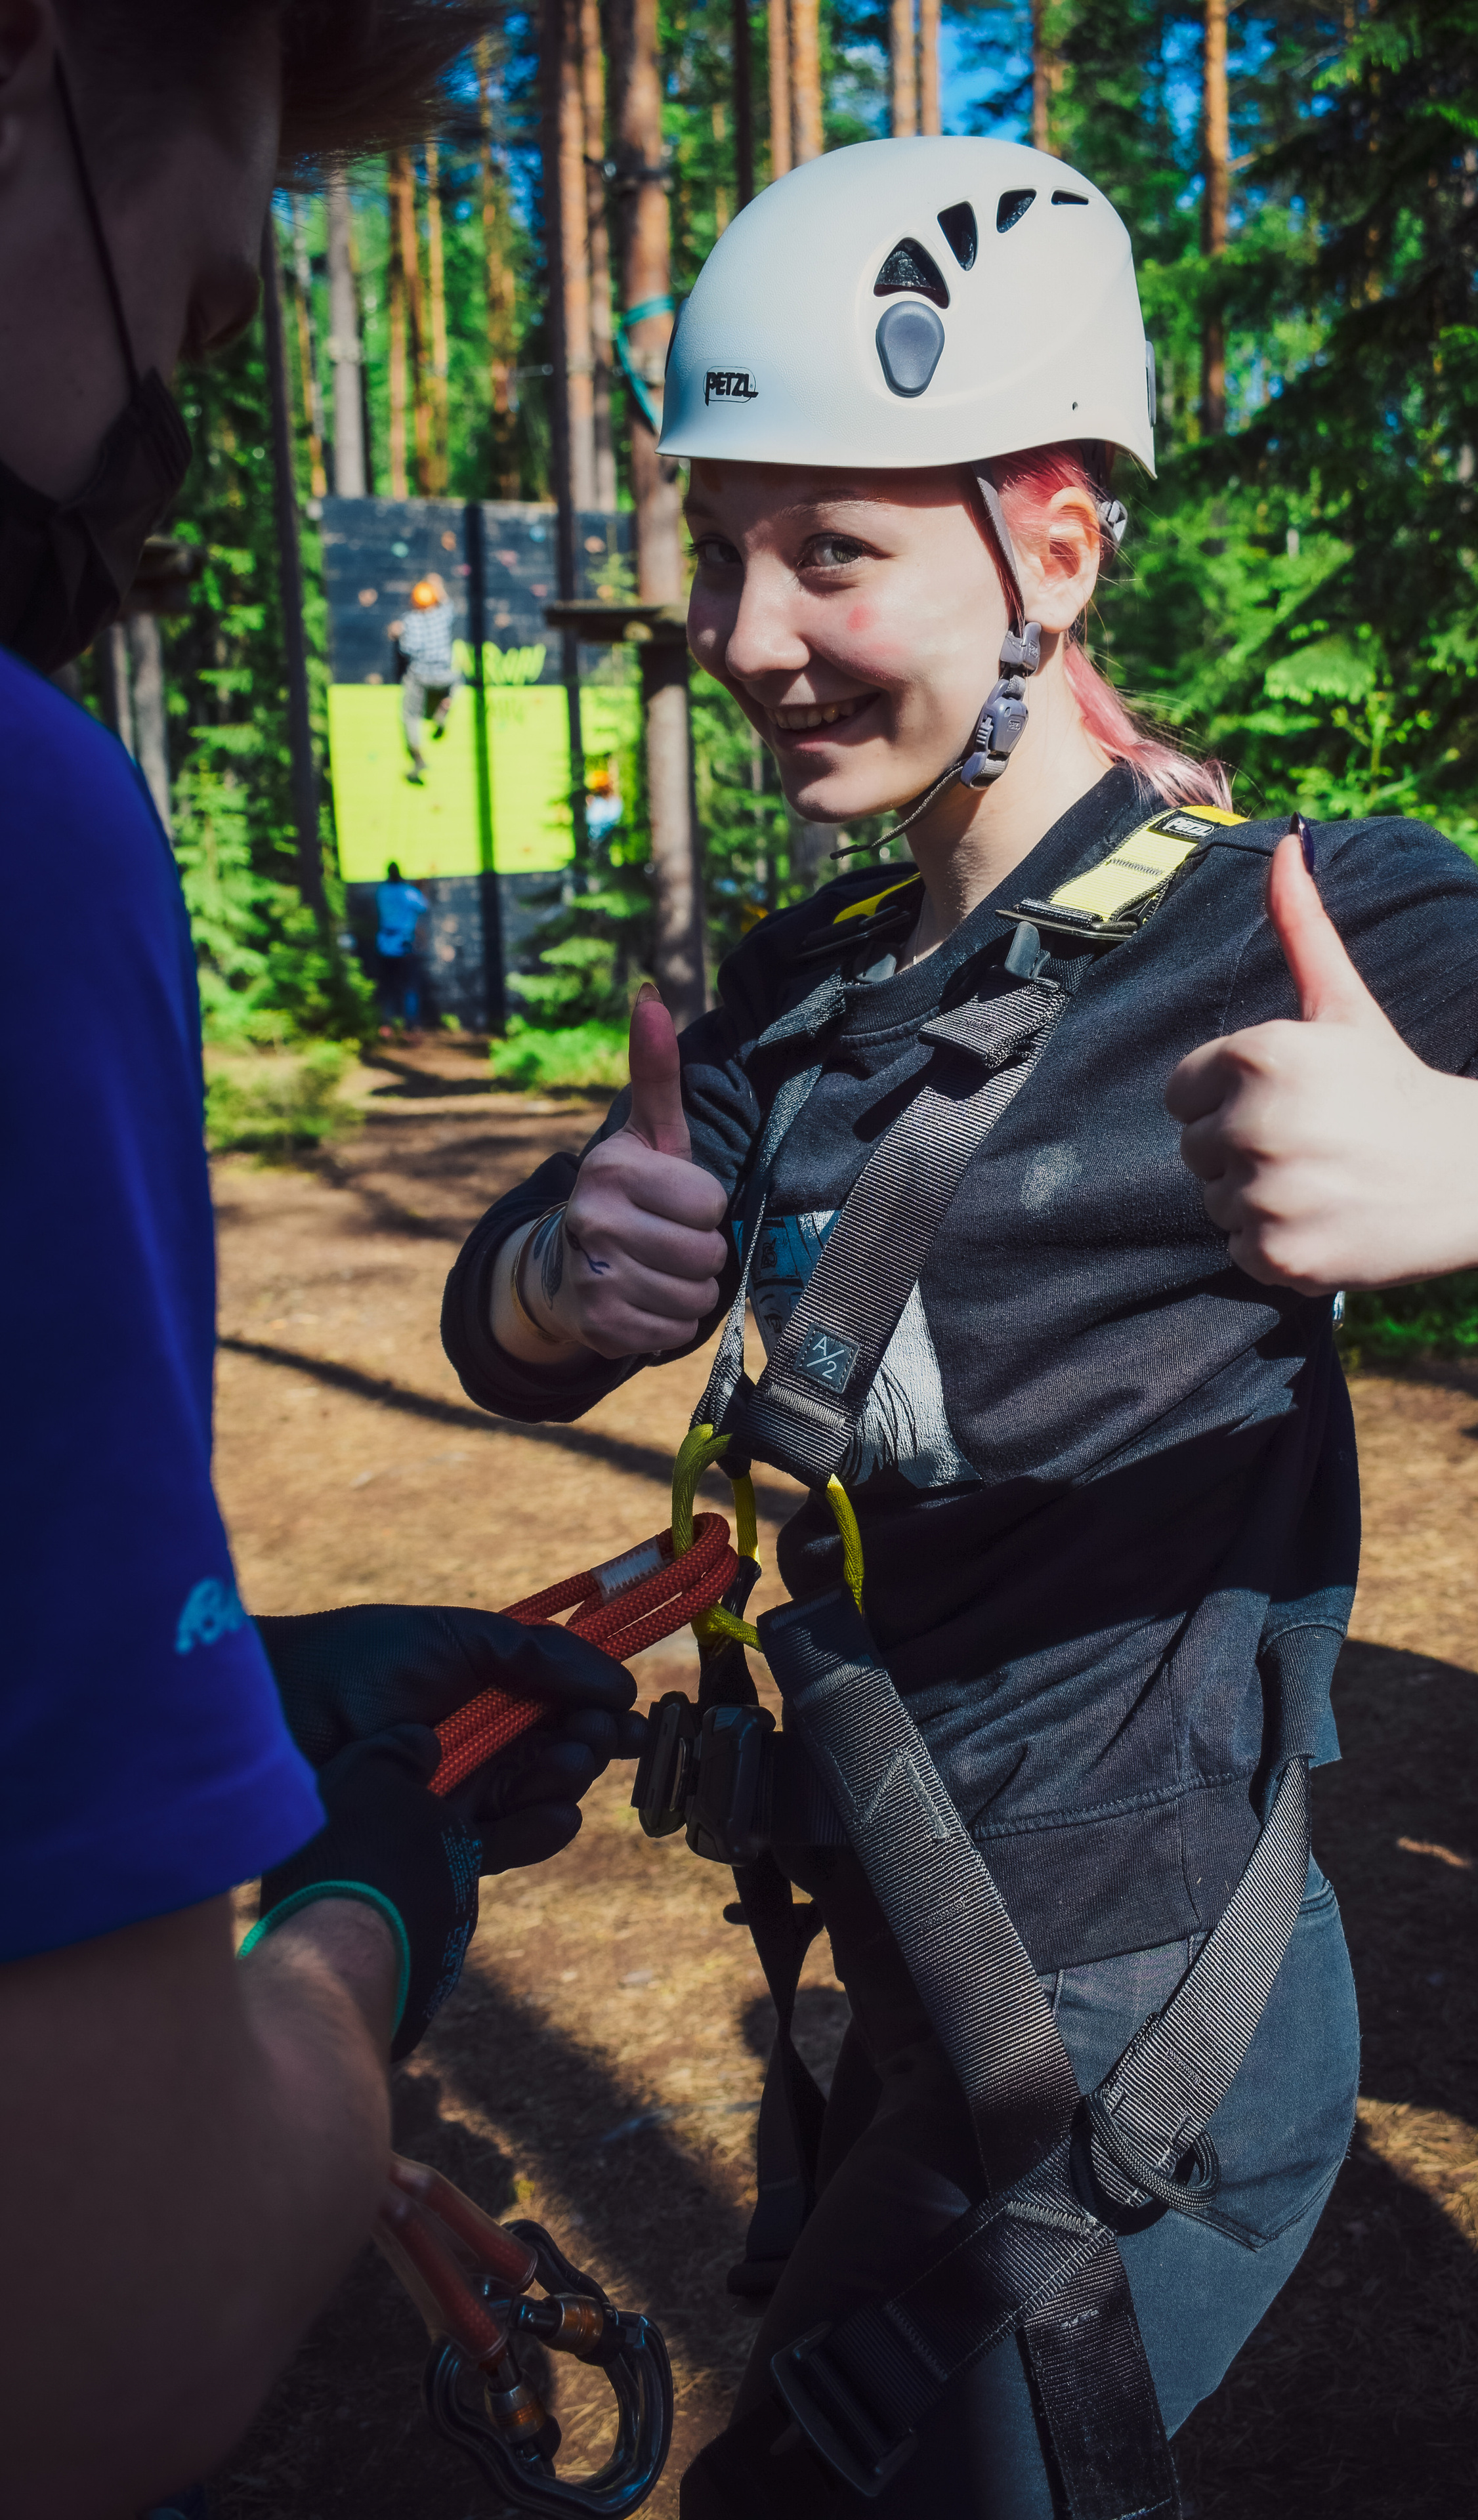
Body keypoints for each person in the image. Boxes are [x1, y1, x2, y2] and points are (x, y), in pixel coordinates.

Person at [440, 133, 1478, 2520]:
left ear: (1057, 547)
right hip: (910, 1974)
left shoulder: (1296, 930)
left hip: (1128, 2040)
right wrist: (554, 1276)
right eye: (719, 547)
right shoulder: (813, 989)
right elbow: (506, 1328)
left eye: (829, 549)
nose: (739, 632)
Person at [0, 6, 644, 2513]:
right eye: (179, 317)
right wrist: (364, 1909)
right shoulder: (28, 836)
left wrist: (238, 1690)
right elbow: (93, 2325)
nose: (145, 447)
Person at [394, 570, 457, 782]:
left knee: (410, 715)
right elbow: (449, 605)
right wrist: (438, 585)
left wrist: (397, 633)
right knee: (458, 680)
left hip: (420, 675)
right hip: (444, 675)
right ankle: (445, 706)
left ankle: (418, 758)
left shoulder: (409, 621)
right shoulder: (441, 615)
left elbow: (407, 650)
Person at [375, 854, 429, 1034]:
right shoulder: (408, 892)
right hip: (404, 945)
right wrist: (420, 887)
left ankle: (387, 1024)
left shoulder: (382, 891)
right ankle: (411, 1026)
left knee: (388, 986)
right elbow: (423, 906)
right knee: (410, 987)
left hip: (385, 945)